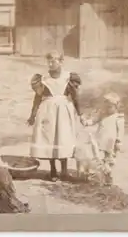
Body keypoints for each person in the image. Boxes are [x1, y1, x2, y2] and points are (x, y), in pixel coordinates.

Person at [27, 50, 83, 182]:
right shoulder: (43, 79)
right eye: (49, 61)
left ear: (61, 62)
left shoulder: (69, 77)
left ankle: (64, 170)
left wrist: (80, 113)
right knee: (50, 138)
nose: (51, 63)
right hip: (47, 111)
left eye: (54, 60)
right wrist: (32, 115)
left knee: (63, 138)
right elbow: (38, 98)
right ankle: (53, 170)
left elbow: (75, 97)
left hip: (64, 111)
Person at [81, 92, 125, 185]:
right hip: (100, 139)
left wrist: (119, 141)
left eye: (110, 107)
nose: (107, 109)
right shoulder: (102, 115)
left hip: (111, 142)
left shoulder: (118, 118)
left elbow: (120, 131)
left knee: (109, 159)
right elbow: (93, 120)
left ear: (116, 107)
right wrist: (86, 122)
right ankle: (97, 175)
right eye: (106, 106)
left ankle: (108, 175)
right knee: (98, 157)